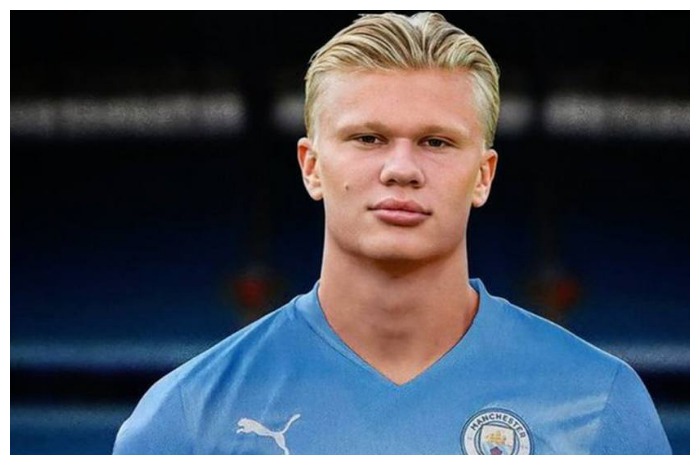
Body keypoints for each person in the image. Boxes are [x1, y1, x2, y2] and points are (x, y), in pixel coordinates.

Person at [113, 12, 671, 455]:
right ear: (311, 167)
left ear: (483, 175)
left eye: (436, 142)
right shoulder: (186, 418)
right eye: (368, 139)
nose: (401, 169)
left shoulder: (599, 403)